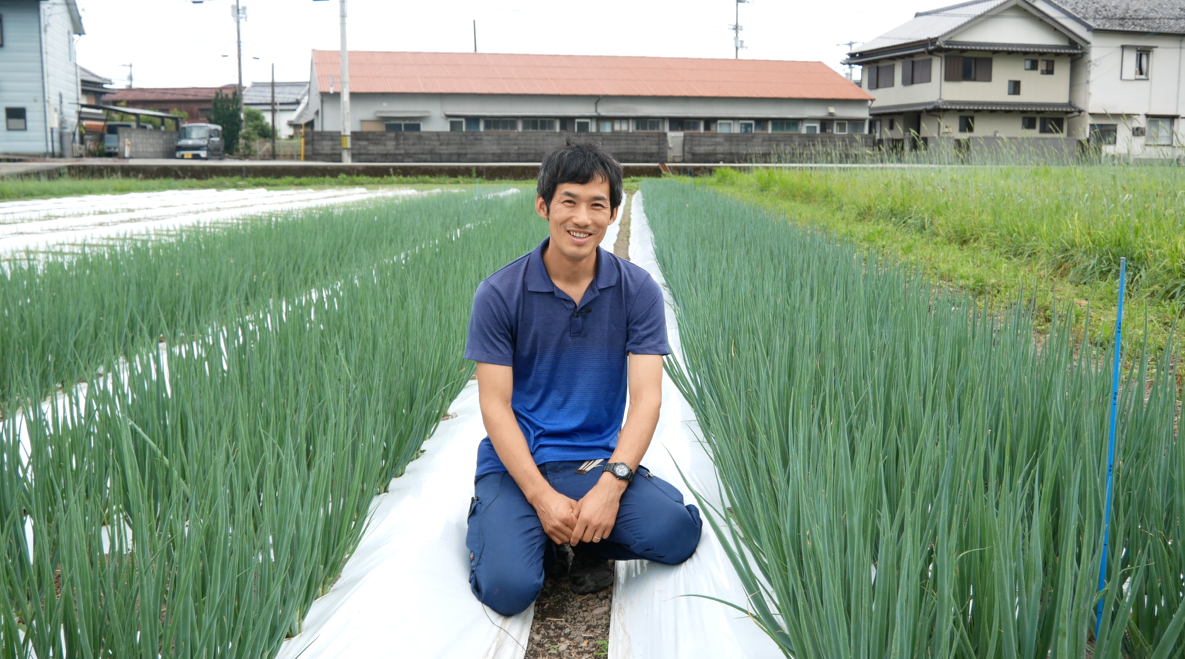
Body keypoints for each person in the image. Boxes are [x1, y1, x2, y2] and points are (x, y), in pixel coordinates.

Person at [463, 140, 703, 616]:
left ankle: (590, 540)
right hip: (519, 467)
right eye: (569, 201)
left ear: (614, 213)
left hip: (593, 462)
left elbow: (647, 400)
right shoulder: (499, 293)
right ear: (543, 205)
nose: (582, 217)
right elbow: (494, 406)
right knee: (509, 589)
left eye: (598, 204)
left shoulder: (637, 291)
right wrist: (541, 498)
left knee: (676, 533)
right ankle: (507, 521)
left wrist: (612, 485)